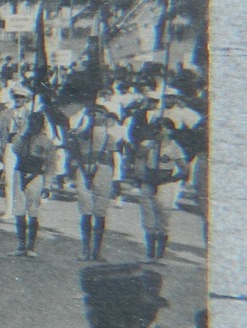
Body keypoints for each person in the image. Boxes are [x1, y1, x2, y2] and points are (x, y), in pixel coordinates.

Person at [128, 116, 189, 263]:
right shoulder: (147, 144)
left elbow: (185, 169)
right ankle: (149, 254)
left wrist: (171, 179)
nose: (157, 132)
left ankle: (160, 256)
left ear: (169, 130)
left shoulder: (174, 147)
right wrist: (146, 151)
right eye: (155, 128)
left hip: (164, 185)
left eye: (161, 128)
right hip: (148, 184)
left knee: (163, 220)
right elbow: (138, 158)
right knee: (148, 220)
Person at [67, 104, 123, 262]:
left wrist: (116, 179)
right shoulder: (81, 135)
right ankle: (85, 249)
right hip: (84, 169)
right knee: (85, 211)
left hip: (103, 171)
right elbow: (73, 154)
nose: (96, 116)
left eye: (99, 113)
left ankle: (96, 251)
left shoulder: (109, 136)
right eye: (92, 113)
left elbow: (115, 160)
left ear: (105, 116)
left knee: (100, 212)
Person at [10, 111, 58, 257]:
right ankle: (20, 245)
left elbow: (51, 165)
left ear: (41, 124)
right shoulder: (22, 138)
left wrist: (47, 185)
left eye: (36, 123)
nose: (33, 125)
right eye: (31, 122)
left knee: (33, 211)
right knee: (19, 210)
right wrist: (24, 136)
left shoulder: (47, 142)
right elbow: (15, 150)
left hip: (36, 176)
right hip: (20, 173)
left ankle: (31, 246)